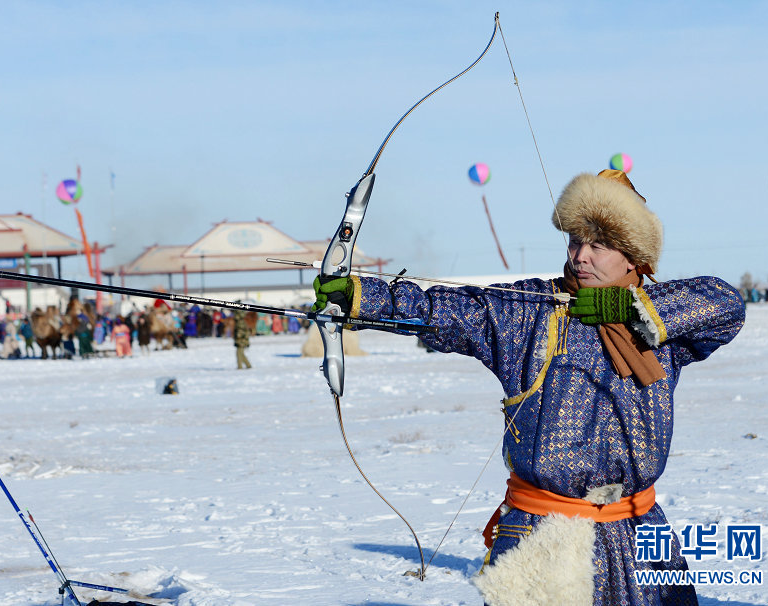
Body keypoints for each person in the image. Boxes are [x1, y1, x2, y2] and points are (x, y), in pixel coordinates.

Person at [313, 170, 745, 606]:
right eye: (576, 241)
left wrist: (630, 309)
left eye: (599, 245)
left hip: (638, 531)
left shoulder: (660, 323)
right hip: (543, 531)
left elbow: (727, 304)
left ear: (632, 258)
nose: (581, 255)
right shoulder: (533, 310)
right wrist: (362, 297)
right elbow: (450, 309)